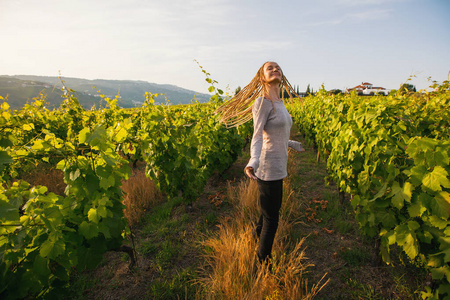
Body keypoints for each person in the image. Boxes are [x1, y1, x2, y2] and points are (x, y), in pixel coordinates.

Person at [215, 61, 305, 265]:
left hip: (279, 166)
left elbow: (276, 135)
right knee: (272, 219)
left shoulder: (280, 103)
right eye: (270, 68)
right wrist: (252, 162)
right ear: (262, 77)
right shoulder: (262, 102)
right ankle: (263, 264)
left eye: (278, 67)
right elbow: (257, 137)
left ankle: (255, 240)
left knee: (268, 213)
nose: (275, 69)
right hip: (267, 168)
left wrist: (293, 144)